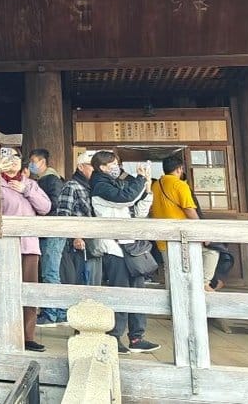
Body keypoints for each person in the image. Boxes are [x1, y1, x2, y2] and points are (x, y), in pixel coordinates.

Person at [89, 150, 160, 354]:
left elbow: (138, 211)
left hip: (131, 246)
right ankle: (114, 337)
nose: (116, 167)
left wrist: (146, 189)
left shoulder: (117, 183)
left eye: (116, 163)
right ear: (101, 167)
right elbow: (125, 199)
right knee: (119, 294)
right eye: (112, 163)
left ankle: (137, 337)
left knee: (137, 294)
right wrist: (138, 180)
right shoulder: (100, 186)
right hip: (113, 248)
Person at [0, 148, 51, 352]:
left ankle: (28, 336)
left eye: (15, 157)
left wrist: (25, 190)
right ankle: (4, 332)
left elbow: (46, 208)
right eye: (5, 157)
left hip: (28, 245)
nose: (11, 161)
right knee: (4, 290)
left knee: (28, 291)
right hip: (3, 246)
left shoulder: (31, 184)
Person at [149, 156, 220, 291]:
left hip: (162, 235)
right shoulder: (180, 185)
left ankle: (172, 303)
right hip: (182, 235)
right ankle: (203, 283)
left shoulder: (155, 185)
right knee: (211, 251)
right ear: (179, 169)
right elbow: (189, 209)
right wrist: (201, 231)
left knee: (170, 269)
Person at [29, 148, 67, 328]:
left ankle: (50, 313)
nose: (31, 165)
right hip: (49, 230)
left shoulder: (51, 179)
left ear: (42, 162)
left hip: (52, 229)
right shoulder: (45, 179)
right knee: (51, 271)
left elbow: (54, 204)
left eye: (33, 161)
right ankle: (59, 312)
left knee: (50, 271)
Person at [56, 151, 102, 286]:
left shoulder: (93, 186)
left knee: (94, 282)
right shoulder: (71, 186)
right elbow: (63, 214)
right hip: (78, 243)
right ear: (81, 167)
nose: (95, 169)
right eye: (91, 165)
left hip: (94, 241)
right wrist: (75, 236)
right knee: (82, 281)